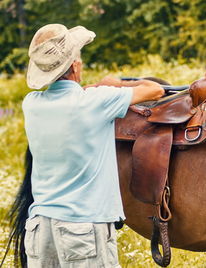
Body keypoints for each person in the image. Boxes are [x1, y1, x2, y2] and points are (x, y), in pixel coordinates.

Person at [22, 24, 164, 267]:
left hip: (38, 228)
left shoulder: (31, 103)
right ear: (75, 66)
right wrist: (114, 84)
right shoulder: (95, 101)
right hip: (83, 230)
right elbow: (155, 90)